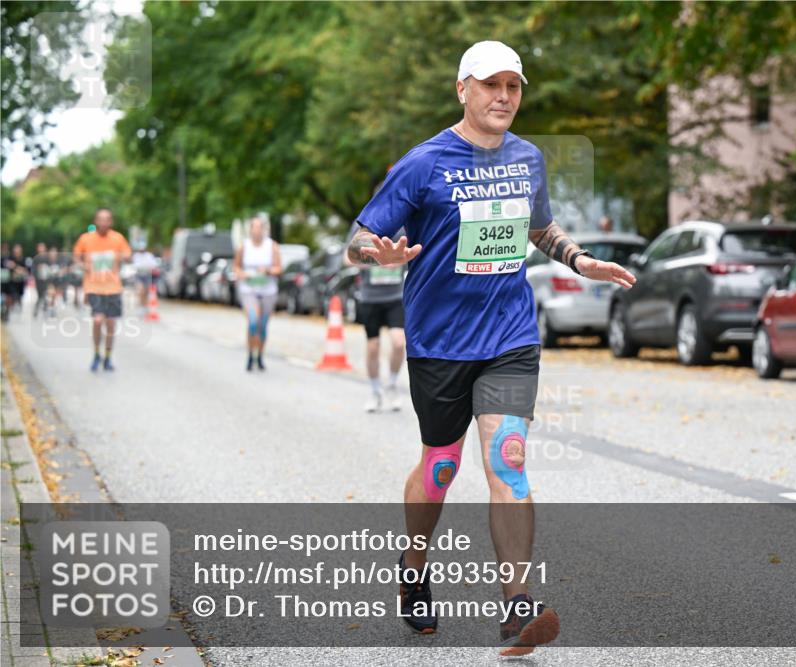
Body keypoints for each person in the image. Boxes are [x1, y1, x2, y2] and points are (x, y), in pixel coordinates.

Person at [347, 40, 636, 655]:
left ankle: (516, 606)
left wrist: (581, 260)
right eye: (490, 85)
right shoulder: (424, 163)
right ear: (463, 90)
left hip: (509, 336)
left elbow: (538, 227)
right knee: (441, 466)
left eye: (513, 86)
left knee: (507, 459)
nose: (504, 97)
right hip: (440, 342)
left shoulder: (527, 158)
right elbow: (359, 234)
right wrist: (378, 251)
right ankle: (416, 567)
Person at [344, 214, 407, 412]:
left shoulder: (405, 225)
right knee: (373, 347)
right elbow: (347, 258)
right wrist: (378, 260)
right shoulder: (363, 226)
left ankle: (392, 384)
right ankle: (374, 391)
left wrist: (400, 259)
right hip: (370, 297)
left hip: (396, 296)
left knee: (399, 343)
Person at [73, 208, 132, 372]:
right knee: (98, 320)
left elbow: (128, 254)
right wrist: (83, 265)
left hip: (113, 287)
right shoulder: (86, 239)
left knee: (111, 324)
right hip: (93, 286)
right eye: (101, 219)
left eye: (107, 219)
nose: (104, 222)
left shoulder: (118, 238)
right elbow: (76, 257)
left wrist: (123, 257)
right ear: (95, 221)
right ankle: (96, 354)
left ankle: (107, 357)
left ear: (111, 222)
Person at [233, 217, 280, 372]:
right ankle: (250, 355)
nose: (257, 231)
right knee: (253, 321)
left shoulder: (271, 246)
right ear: (250, 230)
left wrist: (267, 270)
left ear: (264, 230)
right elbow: (236, 268)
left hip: (268, 291)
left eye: (260, 227)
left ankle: (260, 355)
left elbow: (278, 269)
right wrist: (243, 274)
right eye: (254, 227)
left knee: (263, 326)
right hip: (249, 290)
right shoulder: (243, 247)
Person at [31, 243, 59, 319]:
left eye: (42, 247)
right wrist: (37, 270)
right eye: (40, 247)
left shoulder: (47, 258)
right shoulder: (35, 258)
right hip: (39, 280)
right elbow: (32, 269)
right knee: (40, 296)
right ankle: (36, 309)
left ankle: (47, 309)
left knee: (47, 294)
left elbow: (51, 268)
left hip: (46, 279)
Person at [131, 243, 158, 314]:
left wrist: (149, 268)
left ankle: (145, 306)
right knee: (141, 290)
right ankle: (141, 306)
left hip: (147, 275)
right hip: (139, 275)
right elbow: (135, 265)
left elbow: (153, 265)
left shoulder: (149, 256)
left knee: (146, 292)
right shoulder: (136, 256)